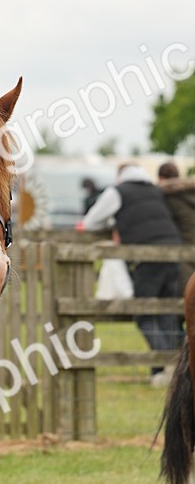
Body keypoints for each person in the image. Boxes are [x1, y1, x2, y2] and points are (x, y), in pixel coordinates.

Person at [82, 162, 183, 382]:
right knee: (168, 313)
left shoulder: (117, 191)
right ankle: (168, 371)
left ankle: (168, 366)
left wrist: (115, 221)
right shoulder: (155, 191)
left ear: (120, 176)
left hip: (147, 256)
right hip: (175, 252)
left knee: (143, 312)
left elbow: (91, 222)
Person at [158, 160, 195, 288]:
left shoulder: (168, 196)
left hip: (184, 247)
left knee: (186, 296)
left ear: (161, 178)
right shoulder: (191, 192)